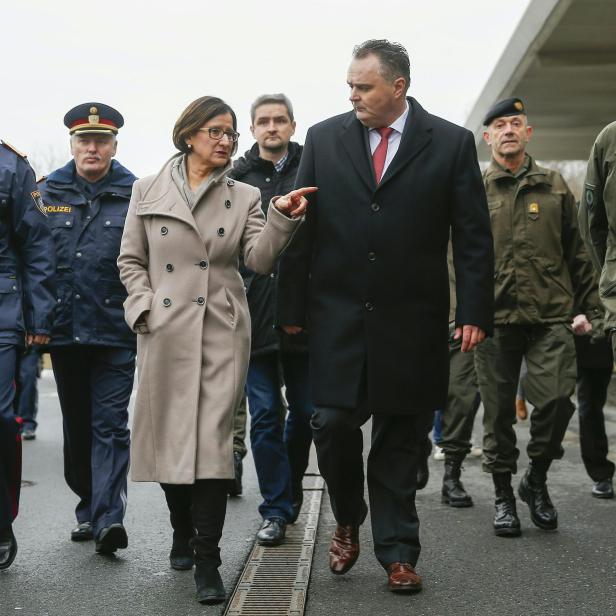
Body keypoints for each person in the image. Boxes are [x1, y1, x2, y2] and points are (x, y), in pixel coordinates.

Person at [277, 40, 494, 594]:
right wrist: (292, 309)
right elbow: (305, 228)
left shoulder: (449, 143)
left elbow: (472, 236)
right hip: (337, 319)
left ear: (398, 87)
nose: (352, 96)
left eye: (363, 86)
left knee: (401, 440)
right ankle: (348, 516)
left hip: (412, 323)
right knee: (329, 423)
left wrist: (473, 310)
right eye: (349, 85)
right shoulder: (325, 139)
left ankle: (398, 552)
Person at [117, 96, 311, 605]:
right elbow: (131, 260)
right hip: (164, 331)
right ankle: (182, 527)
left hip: (221, 330)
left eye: (231, 134)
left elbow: (259, 259)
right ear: (189, 136)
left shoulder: (244, 195)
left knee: (211, 446)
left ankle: (208, 560)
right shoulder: (147, 189)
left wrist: (281, 218)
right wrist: (143, 307)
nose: (227, 141)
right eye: (217, 132)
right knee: (169, 443)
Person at [476, 97, 602, 538]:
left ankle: (536, 480)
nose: (508, 130)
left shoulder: (553, 185)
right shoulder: (475, 191)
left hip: (551, 315)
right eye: (500, 125)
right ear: (487, 136)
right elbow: (457, 259)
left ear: (528, 133)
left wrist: (589, 308)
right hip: (491, 319)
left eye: (516, 123)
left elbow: (578, 251)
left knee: (554, 402)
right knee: (496, 416)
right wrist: (460, 315)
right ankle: (503, 497)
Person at [38, 103, 137, 554]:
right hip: (63, 330)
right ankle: (88, 505)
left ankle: (108, 518)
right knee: (78, 426)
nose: (92, 147)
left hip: (116, 330)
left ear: (114, 144)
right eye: (84, 140)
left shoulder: (137, 193)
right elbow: (33, 259)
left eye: (101, 140)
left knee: (111, 425)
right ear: (73, 145)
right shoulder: (44, 193)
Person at [229, 93, 312, 544]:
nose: (272, 127)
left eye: (280, 120)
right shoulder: (237, 179)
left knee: (306, 413)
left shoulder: (313, 169)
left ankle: (292, 486)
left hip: (303, 314)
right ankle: (275, 509)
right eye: (263, 121)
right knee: (263, 415)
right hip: (253, 313)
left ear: (292, 125)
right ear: (253, 128)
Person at [0, 141, 55, 570]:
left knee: (1, 419)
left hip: (1, 307)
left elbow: (36, 245)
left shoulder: (10, 166)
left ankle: (1, 521)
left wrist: (38, 319)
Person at [578, 120, 616, 497]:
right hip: (595, 307)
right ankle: (600, 471)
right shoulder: (609, 140)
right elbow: (591, 234)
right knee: (591, 395)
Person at [439, 247, 481, 507]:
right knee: (412, 395)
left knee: (462, 396)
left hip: (464, 319)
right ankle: (416, 451)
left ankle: (451, 475)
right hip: (417, 314)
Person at [15, 347, 43, 440]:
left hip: (31, 342)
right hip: (7, 338)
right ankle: (11, 422)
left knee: (28, 381)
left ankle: (27, 424)